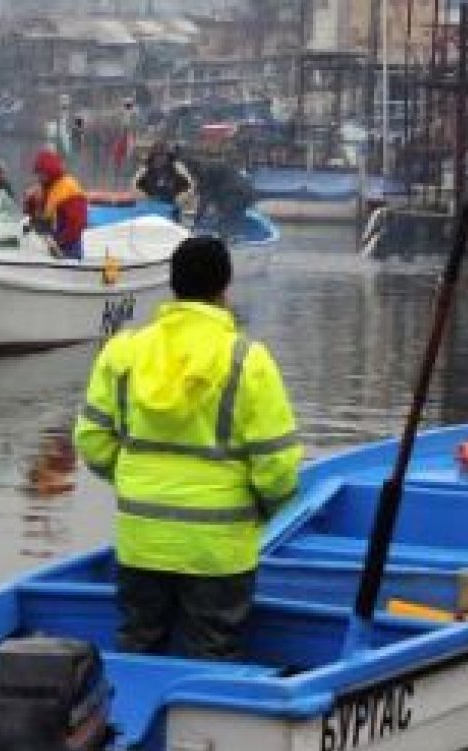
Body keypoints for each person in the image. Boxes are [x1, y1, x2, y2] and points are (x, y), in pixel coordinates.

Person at [72, 237, 302, 660]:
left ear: (171, 284)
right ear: (225, 286)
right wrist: (260, 511)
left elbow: (91, 440)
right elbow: (278, 466)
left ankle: (131, 720)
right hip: (219, 548)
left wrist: (133, 482)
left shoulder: (125, 350)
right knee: (211, 656)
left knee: (138, 649)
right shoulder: (248, 360)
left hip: (141, 539)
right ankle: (200, 726)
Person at [24, 148, 87, 259]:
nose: (39, 177)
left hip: (68, 247)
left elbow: (77, 223)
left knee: (67, 273)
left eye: (42, 173)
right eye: (38, 173)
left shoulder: (69, 187)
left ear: (50, 171)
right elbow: (33, 214)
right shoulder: (45, 187)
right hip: (48, 244)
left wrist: (59, 241)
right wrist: (29, 200)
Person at [131, 144, 194, 213]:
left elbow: (189, 186)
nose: (160, 158)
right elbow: (135, 186)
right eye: (157, 155)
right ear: (153, 156)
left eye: (163, 155)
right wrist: (145, 198)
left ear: (168, 156)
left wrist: (180, 198)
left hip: (172, 206)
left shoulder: (177, 168)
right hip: (150, 206)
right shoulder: (145, 169)